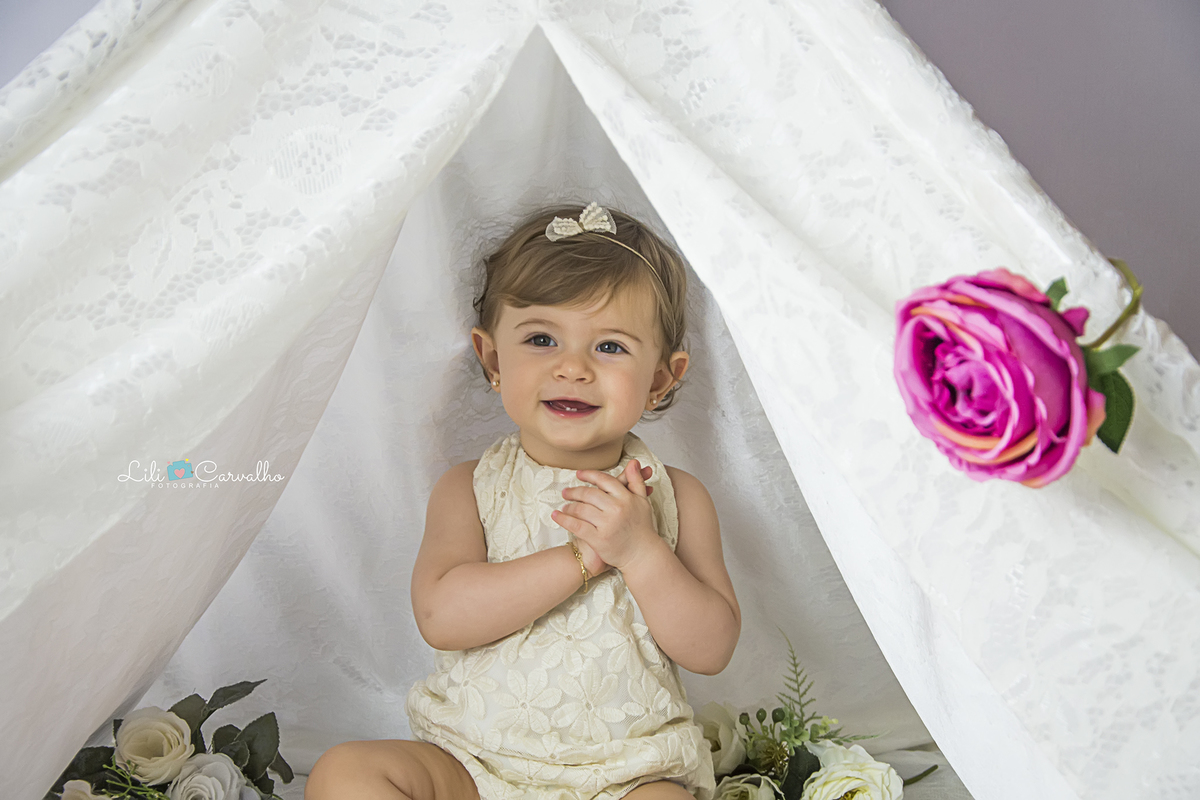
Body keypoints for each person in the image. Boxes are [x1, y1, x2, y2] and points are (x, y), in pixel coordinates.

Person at [305, 201, 741, 800]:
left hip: (625, 776)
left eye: (610, 347)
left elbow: (711, 647)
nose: (572, 368)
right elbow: (442, 616)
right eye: (541, 339)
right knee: (346, 773)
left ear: (663, 378)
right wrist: (582, 561)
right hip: (473, 767)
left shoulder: (675, 496)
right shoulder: (470, 487)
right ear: (492, 359)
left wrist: (639, 552)